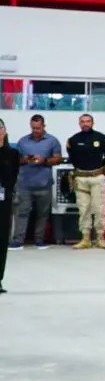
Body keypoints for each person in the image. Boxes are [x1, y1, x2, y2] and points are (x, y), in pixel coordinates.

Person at [10, 114, 61, 249]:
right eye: (33, 128)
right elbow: (16, 160)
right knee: (22, 213)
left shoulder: (52, 141)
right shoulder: (22, 141)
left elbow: (58, 159)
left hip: (44, 184)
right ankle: (18, 240)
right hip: (24, 184)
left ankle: (39, 240)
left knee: (42, 214)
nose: (35, 130)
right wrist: (26, 159)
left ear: (44, 126)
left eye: (38, 128)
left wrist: (45, 160)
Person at [66, 113, 105, 249]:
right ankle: (85, 238)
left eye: (88, 121)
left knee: (99, 208)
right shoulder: (73, 140)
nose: (85, 123)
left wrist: (99, 167)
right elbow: (72, 158)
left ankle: (100, 237)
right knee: (83, 208)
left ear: (93, 123)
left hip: (97, 177)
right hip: (81, 178)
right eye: (82, 121)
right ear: (79, 123)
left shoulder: (103, 138)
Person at [0, 119, 18, 293]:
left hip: (3, 200)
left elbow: (12, 177)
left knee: (1, 239)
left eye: (0, 128)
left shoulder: (12, 154)